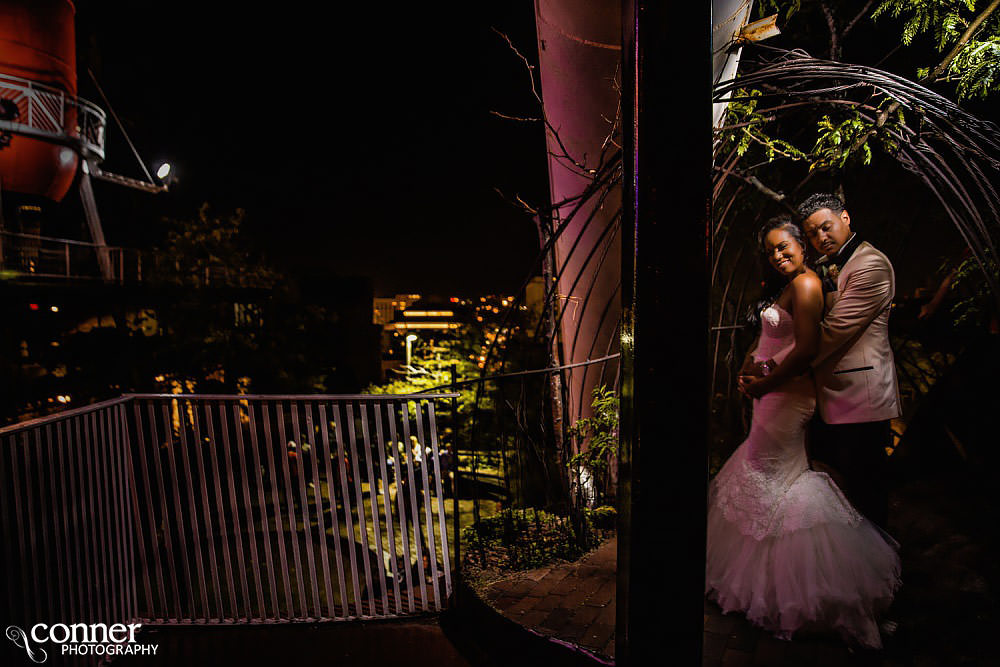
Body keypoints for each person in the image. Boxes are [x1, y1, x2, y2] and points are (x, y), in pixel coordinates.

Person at [706, 215, 900, 649]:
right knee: (763, 478)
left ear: (802, 245)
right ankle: (766, 581)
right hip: (772, 394)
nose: (778, 256)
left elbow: (808, 348)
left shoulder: (809, 285)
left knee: (779, 481)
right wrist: (747, 368)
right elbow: (775, 341)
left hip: (787, 397)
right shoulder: (798, 285)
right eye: (771, 250)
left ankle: (823, 584)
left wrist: (765, 382)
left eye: (784, 246)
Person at [748, 193, 901, 529]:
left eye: (826, 227)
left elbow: (829, 334)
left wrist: (771, 366)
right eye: (813, 233)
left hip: (860, 395)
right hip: (823, 394)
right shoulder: (819, 268)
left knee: (865, 491)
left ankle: (874, 573)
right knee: (833, 490)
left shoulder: (871, 265)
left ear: (845, 218)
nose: (821, 238)